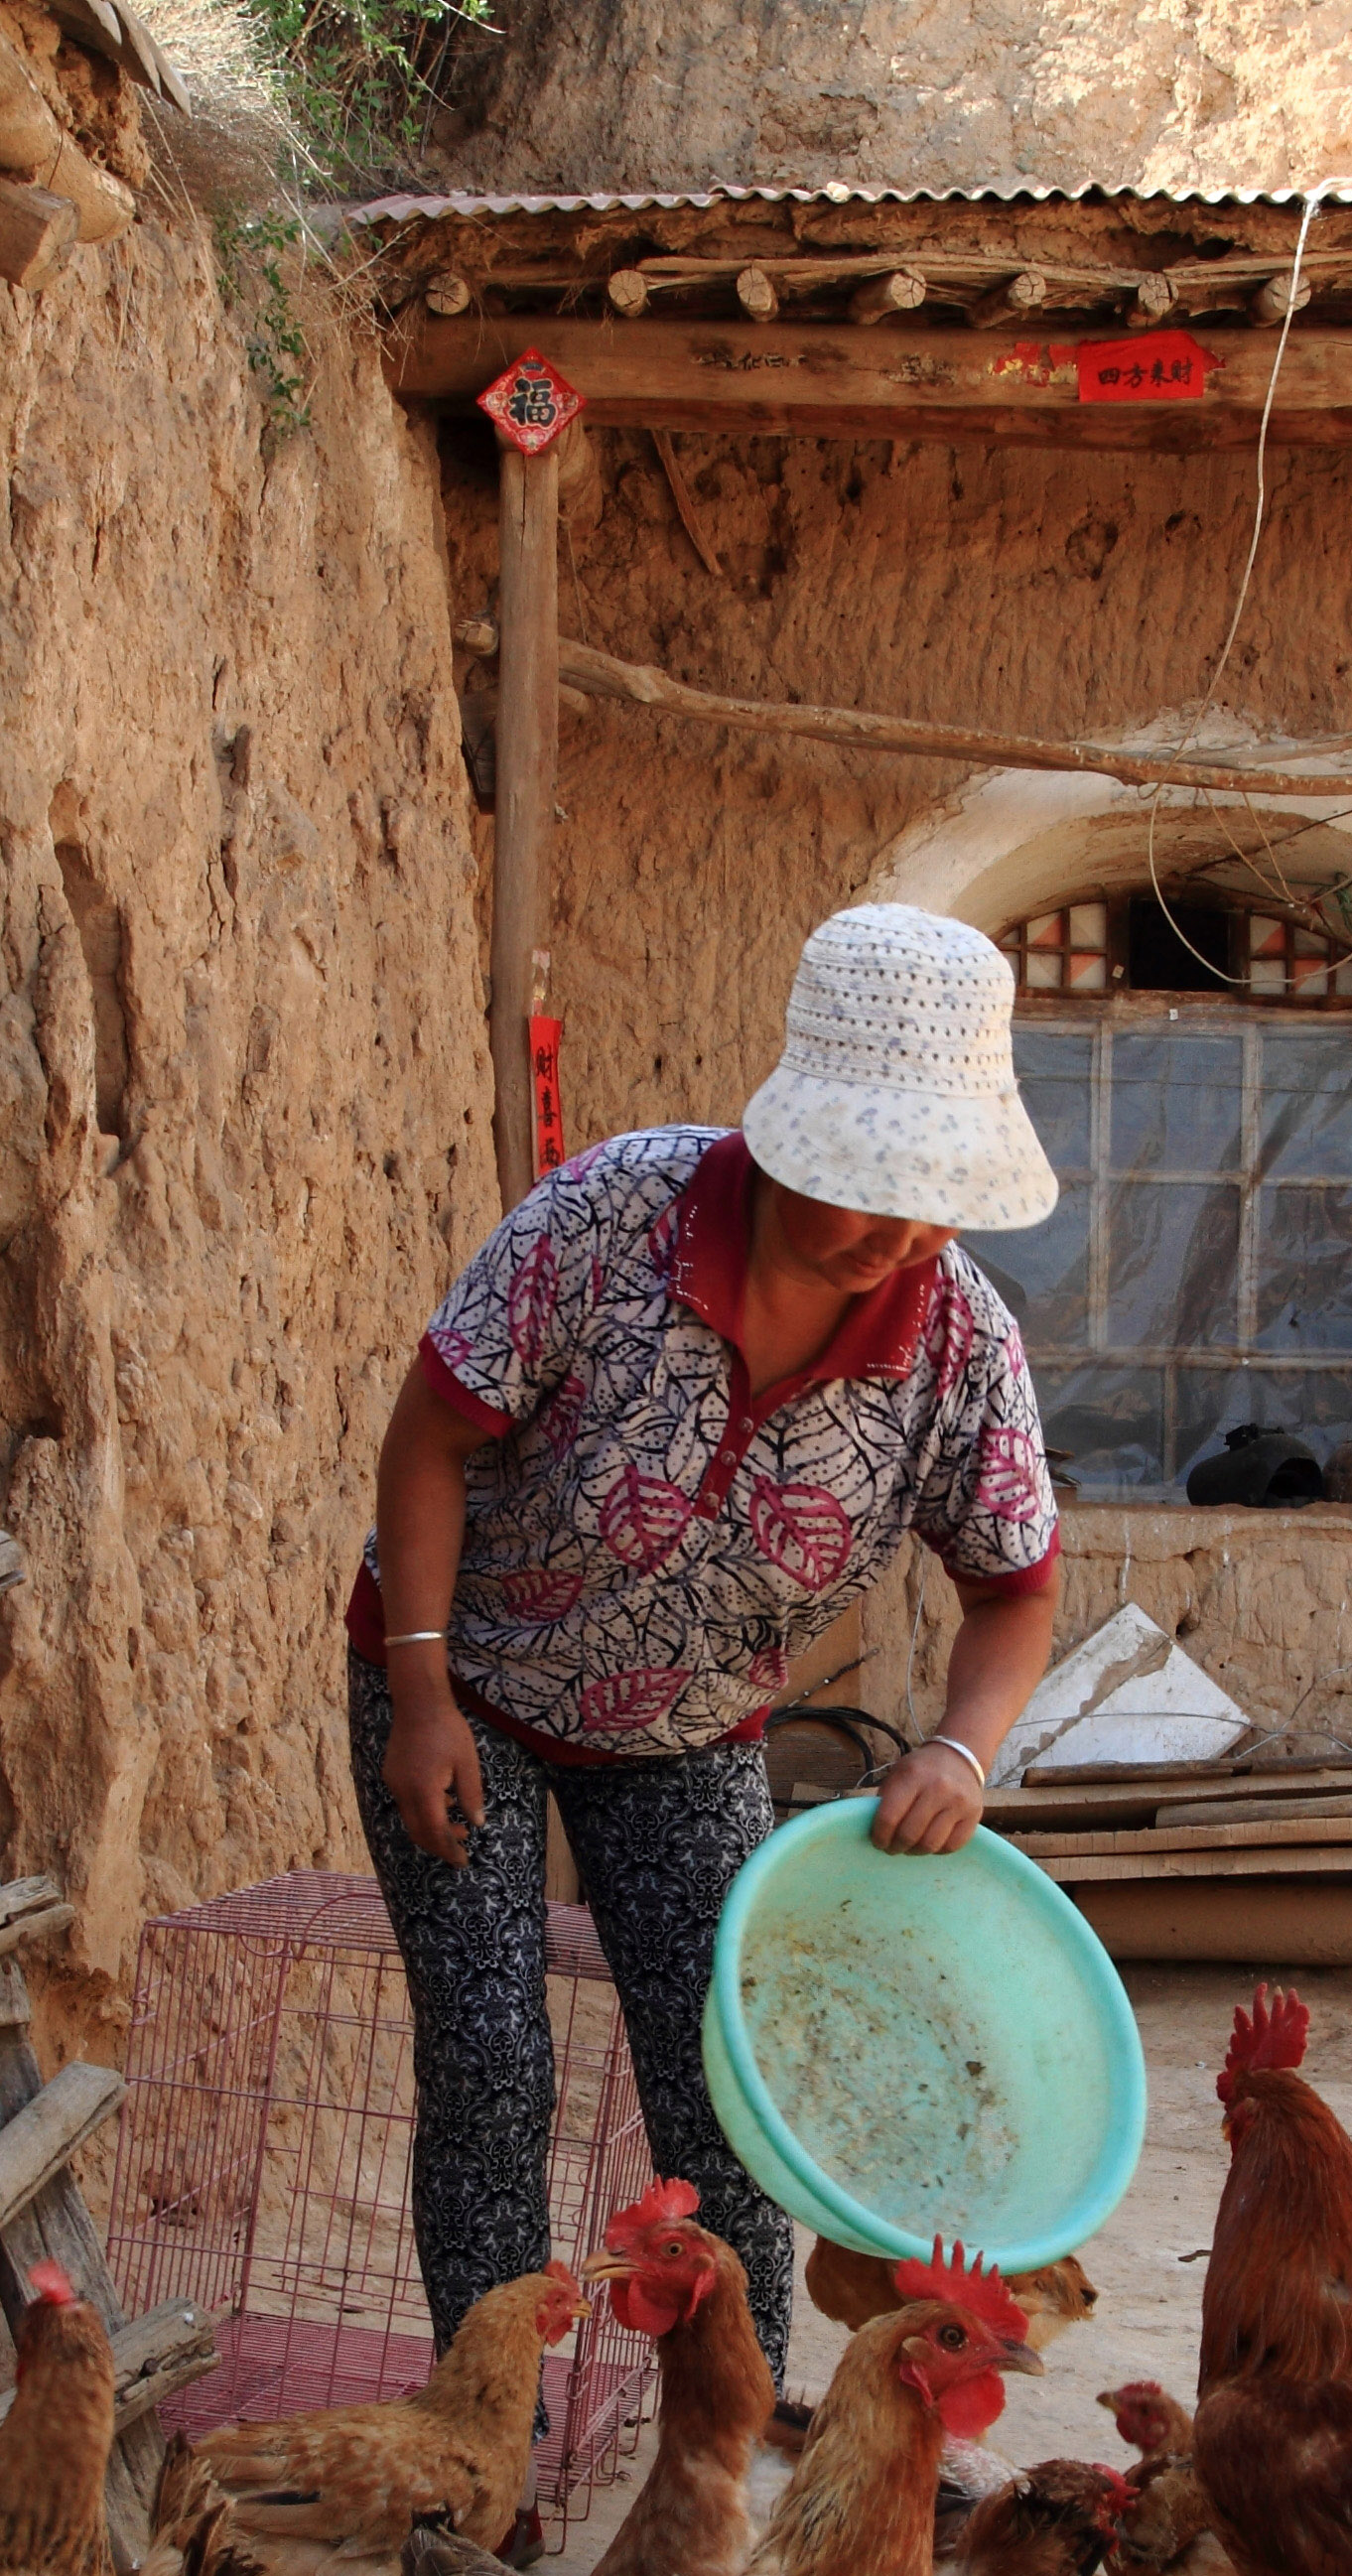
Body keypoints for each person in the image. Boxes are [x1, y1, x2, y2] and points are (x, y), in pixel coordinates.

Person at [347, 904, 1065, 2388]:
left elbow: (1012, 1587)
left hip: (687, 1732)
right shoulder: (611, 1218)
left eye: (932, 1207)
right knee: (489, 2065)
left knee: (731, 2088)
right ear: (789, 1130)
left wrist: (958, 1746)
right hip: (463, 1676)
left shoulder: (959, 1345)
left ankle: (729, 2424)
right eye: (867, 1196)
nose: (894, 1241)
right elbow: (427, 1440)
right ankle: (488, 2440)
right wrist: (418, 1692)